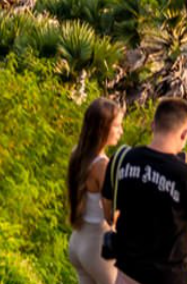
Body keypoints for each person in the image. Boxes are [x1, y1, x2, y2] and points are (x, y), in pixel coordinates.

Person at [100, 96, 187, 284]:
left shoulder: (123, 159)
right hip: (171, 276)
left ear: (153, 125)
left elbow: (108, 210)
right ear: (184, 134)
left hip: (128, 273)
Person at [66, 97, 124, 284]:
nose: (120, 131)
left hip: (78, 239)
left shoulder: (78, 154)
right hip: (97, 244)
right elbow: (110, 216)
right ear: (103, 128)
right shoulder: (103, 166)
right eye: (116, 126)